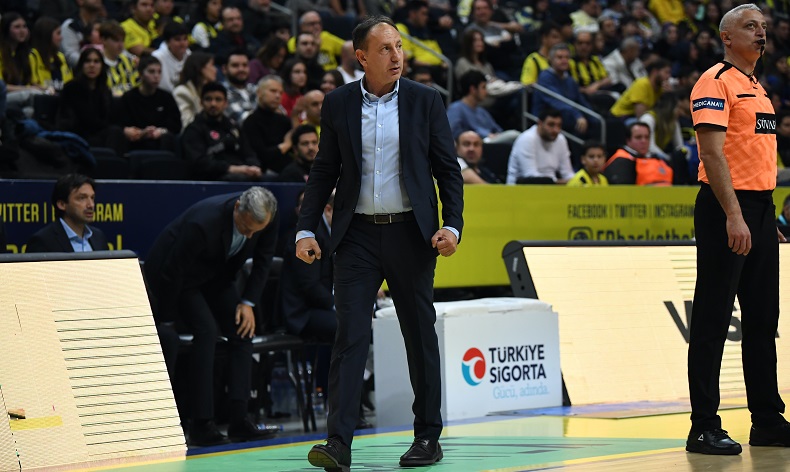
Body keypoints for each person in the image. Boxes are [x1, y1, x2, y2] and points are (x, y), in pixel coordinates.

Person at [297, 16, 463, 470]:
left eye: (399, 47)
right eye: (385, 49)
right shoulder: (338, 103)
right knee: (349, 336)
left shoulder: (426, 100)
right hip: (356, 237)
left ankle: (427, 436)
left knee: (418, 334)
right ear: (361, 57)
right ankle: (338, 443)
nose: (396, 56)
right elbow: (324, 169)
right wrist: (306, 228)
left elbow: (447, 169)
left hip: (411, 234)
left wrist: (452, 226)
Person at [686, 4, 790, 456]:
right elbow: (711, 154)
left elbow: (757, 156)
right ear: (727, 37)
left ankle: (767, 421)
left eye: (763, 27)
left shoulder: (759, 88)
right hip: (725, 207)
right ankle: (703, 427)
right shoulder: (715, 82)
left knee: (764, 320)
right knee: (712, 319)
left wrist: (767, 221)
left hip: (760, 209)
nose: (761, 33)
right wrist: (734, 214)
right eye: (751, 27)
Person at [144, 187, 280, 447]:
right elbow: (173, 272)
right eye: (245, 228)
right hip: (179, 278)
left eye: (256, 231)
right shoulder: (203, 223)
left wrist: (248, 302)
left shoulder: (267, 216)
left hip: (216, 275)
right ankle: (201, 424)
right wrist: (167, 319)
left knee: (243, 329)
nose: (250, 236)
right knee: (206, 330)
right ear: (237, 207)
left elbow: (263, 260)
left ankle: (240, 420)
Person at [181, 81, 261, 181]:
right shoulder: (194, 129)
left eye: (218, 99)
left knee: (269, 179)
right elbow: (199, 162)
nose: (213, 104)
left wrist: (254, 166)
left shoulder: (233, 127)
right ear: (201, 103)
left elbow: (248, 152)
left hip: (240, 172)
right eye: (208, 99)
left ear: (225, 103)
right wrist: (230, 168)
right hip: (212, 179)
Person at [26, 173, 109, 253]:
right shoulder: (43, 241)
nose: (91, 205)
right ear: (62, 204)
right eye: (82, 198)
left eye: (92, 198)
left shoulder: (98, 237)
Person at [119, 55, 182, 152]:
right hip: (135, 142)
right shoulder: (128, 97)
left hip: (159, 141)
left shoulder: (166, 97)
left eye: (159, 72)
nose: (156, 76)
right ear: (140, 74)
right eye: (151, 72)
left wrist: (161, 131)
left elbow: (176, 124)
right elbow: (120, 123)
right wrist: (138, 132)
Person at [506, 108, 574, 184]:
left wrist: (576, 182)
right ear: (540, 123)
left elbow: (567, 173)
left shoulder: (561, 139)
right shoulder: (526, 139)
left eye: (559, 125)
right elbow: (531, 176)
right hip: (522, 188)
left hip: (551, 187)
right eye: (551, 125)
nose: (556, 130)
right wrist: (559, 182)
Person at [446, 70, 518, 143]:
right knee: (513, 134)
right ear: (473, 89)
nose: (486, 92)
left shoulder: (482, 111)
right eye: (483, 87)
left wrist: (494, 135)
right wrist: (483, 135)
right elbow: (452, 133)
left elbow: (498, 130)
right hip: (472, 144)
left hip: (491, 143)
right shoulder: (456, 108)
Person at [242, 74, 293, 174]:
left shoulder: (285, 121)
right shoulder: (250, 122)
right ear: (259, 92)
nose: (278, 96)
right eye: (273, 91)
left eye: (281, 93)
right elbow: (261, 155)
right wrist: (285, 145)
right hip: (263, 173)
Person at [602, 122, 672, 185]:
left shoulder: (657, 158)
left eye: (647, 137)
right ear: (628, 140)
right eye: (638, 137)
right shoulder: (621, 161)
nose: (644, 141)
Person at [173, 52, 216, 129]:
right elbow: (187, 124)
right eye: (212, 65)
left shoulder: (207, 91)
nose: (215, 70)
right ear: (201, 69)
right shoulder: (182, 92)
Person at [29, 16, 72, 91]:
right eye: (58, 33)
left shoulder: (61, 56)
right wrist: (48, 89)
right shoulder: (33, 56)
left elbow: (70, 83)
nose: (61, 38)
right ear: (47, 35)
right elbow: (31, 85)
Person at [98, 20, 139, 97]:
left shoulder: (130, 61)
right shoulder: (97, 63)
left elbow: (138, 85)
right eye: (116, 40)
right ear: (103, 40)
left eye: (122, 41)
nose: (120, 45)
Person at [61, 0, 104, 69]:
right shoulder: (71, 26)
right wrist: (97, 63)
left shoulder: (105, 23)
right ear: (80, 1)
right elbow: (70, 56)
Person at [151, 22, 190, 93]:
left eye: (185, 39)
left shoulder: (189, 55)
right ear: (167, 42)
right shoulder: (157, 57)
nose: (182, 43)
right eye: (177, 39)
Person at [220, 50, 257, 123]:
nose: (241, 69)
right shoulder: (220, 92)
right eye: (235, 65)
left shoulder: (255, 89)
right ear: (224, 69)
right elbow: (243, 121)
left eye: (245, 65)